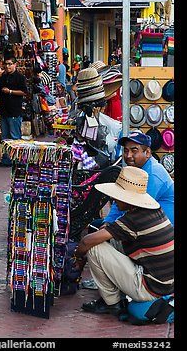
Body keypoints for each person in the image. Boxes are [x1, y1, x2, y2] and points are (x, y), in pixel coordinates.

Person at [73, 166, 174, 316]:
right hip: (166, 283)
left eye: (118, 196)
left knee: (95, 248)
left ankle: (111, 303)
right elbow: (113, 231)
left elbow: (87, 242)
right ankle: (114, 293)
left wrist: (78, 258)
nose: (114, 199)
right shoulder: (152, 210)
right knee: (107, 241)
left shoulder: (134, 219)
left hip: (152, 289)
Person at [81, 130, 174, 291]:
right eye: (126, 150)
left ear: (147, 152)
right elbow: (120, 203)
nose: (129, 155)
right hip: (144, 224)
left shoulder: (152, 175)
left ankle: (111, 283)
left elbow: (135, 209)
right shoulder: (136, 171)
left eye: (134, 150)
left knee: (99, 240)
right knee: (98, 227)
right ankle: (110, 277)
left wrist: (109, 228)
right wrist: (107, 222)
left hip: (160, 230)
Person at [0, 55, 28, 167]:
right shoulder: (3, 77)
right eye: (6, 64)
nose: (8, 66)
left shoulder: (20, 77)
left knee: (15, 137)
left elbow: (24, 92)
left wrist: (10, 91)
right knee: (5, 138)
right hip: (4, 111)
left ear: (15, 65)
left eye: (10, 64)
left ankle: (18, 160)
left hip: (14, 111)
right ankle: (6, 160)